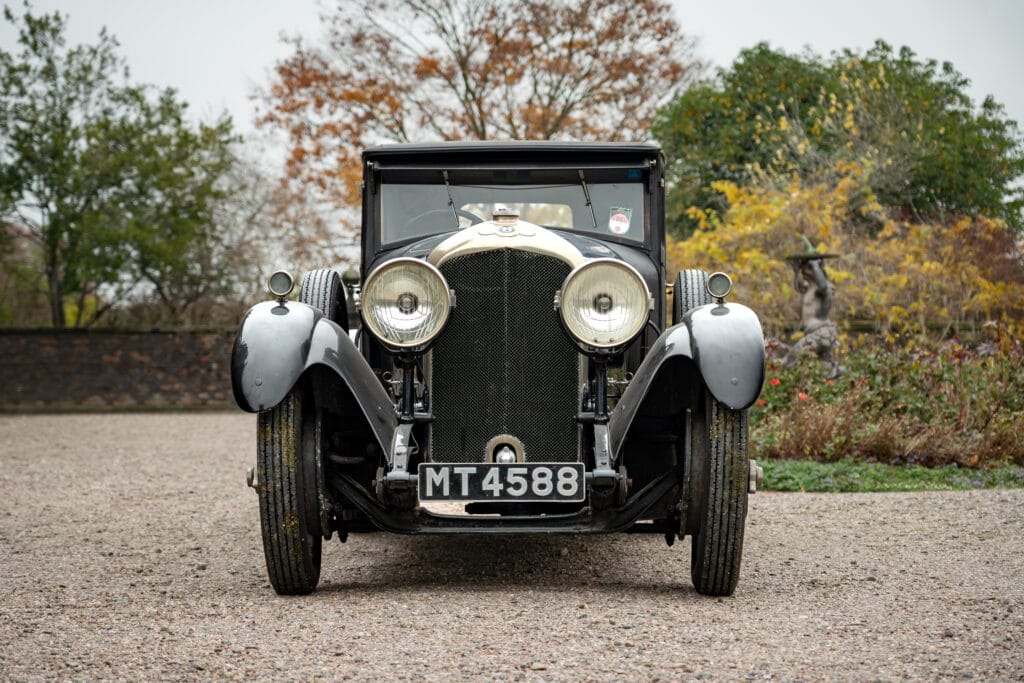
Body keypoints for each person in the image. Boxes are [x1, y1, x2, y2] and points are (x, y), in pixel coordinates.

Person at [783, 246, 842, 379]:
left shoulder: (821, 288)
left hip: (820, 334)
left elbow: (823, 286)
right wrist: (796, 271)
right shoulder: (810, 288)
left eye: (807, 268)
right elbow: (799, 287)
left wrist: (815, 265)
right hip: (822, 334)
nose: (806, 271)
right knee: (827, 372)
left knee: (789, 362)